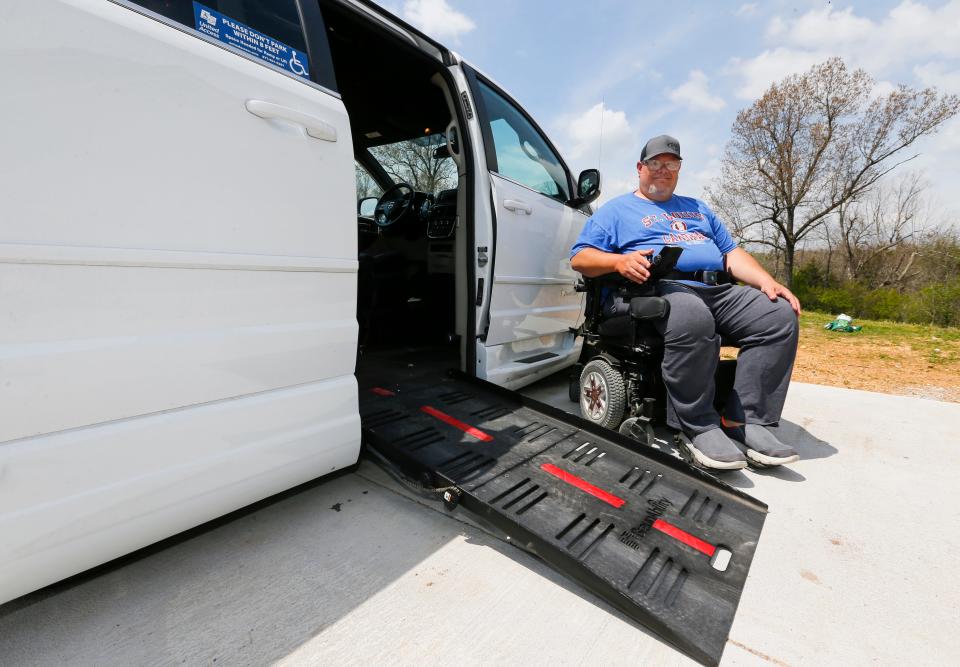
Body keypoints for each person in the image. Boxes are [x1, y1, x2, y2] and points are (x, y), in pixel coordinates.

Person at [570, 134, 801, 470]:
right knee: (693, 315)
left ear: (679, 169)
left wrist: (767, 281)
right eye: (656, 163)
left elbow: (730, 253)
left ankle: (747, 420)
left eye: (672, 164)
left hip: (716, 288)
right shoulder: (617, 210)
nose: (664, 170)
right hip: (656, 288)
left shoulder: (698, 208)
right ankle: (698, 425)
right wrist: (619, 262)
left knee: (778, 316)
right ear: (640, 167)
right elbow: (580, 257)